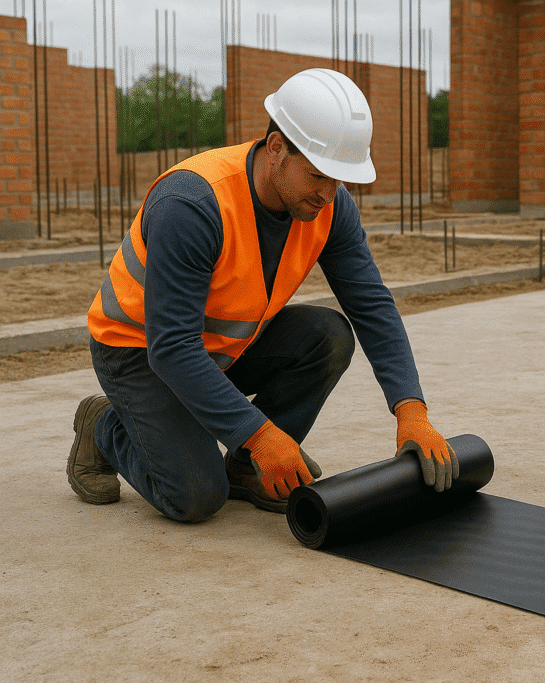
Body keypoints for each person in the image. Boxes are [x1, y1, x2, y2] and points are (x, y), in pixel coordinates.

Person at [67, 68, 457, 523]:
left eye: (338, 180)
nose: (328, 194)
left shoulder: (328, 206)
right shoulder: (191, 204)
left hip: (221, 348)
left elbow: (371, 304)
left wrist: (411, 410)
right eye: (317, 175)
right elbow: (171, 346)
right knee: (195, 497)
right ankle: (106, 427)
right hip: (139, 352)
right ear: (276, 148)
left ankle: (245, 469)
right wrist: (260, 435)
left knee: (328, 335)